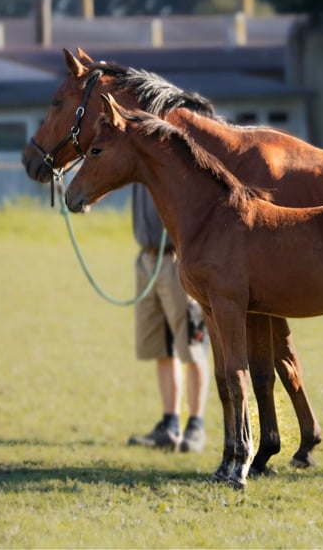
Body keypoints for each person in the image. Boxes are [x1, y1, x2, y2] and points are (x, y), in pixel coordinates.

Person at [127, 183, 210, 452]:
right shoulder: (133, 148)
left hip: (178, 260)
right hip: (146, 259)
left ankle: (195, 426)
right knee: (162, 349)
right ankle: (170, 425)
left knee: (192, 348)